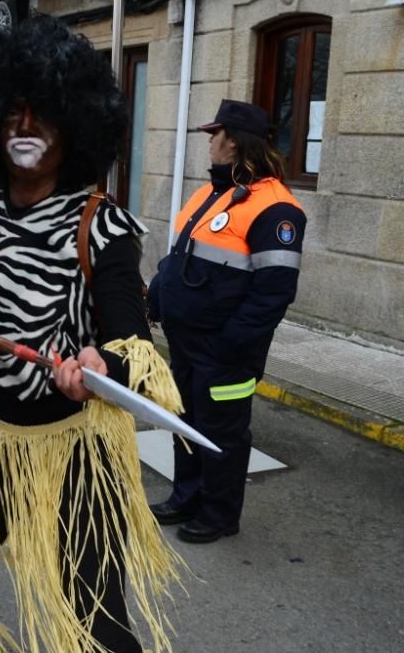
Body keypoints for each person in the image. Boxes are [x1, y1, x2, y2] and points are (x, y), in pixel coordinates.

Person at [0, 15, 185, 653]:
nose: (25, 128)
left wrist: (101, 365)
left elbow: (135, 343)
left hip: (80, 445)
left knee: (95, 623)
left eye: (44, 115)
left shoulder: (101, 224)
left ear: (74, 127)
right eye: (12, 114)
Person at [147, 99, 307, 544]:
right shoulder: (211, 192)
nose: (210, 143)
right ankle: (186, 497)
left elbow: (274, 292)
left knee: (223, 433)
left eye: (214, 135)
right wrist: (158, 299)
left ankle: (219, 514)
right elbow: (178, 257)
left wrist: (231, 343)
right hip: (187, 341)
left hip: (226, 351)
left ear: (233, 142)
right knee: (186, 422)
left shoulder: (277, 209)